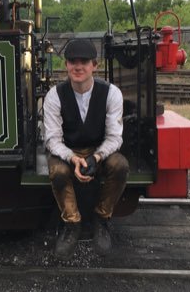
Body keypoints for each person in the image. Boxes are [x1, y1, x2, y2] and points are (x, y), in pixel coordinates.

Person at [43, 38, 129, 260]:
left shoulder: (111, 93)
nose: (78, 66)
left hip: (99, 148)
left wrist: (97, 157)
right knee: (58, 172)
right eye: (72, 61)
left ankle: (102, 218)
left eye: (84, 61)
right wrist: (73, 159)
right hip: (67, 150)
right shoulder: (54, 96)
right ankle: (72, 223)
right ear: (66, 65)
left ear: (95, 65)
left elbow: (114, 137)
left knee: (120, 166)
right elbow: (52, 140)